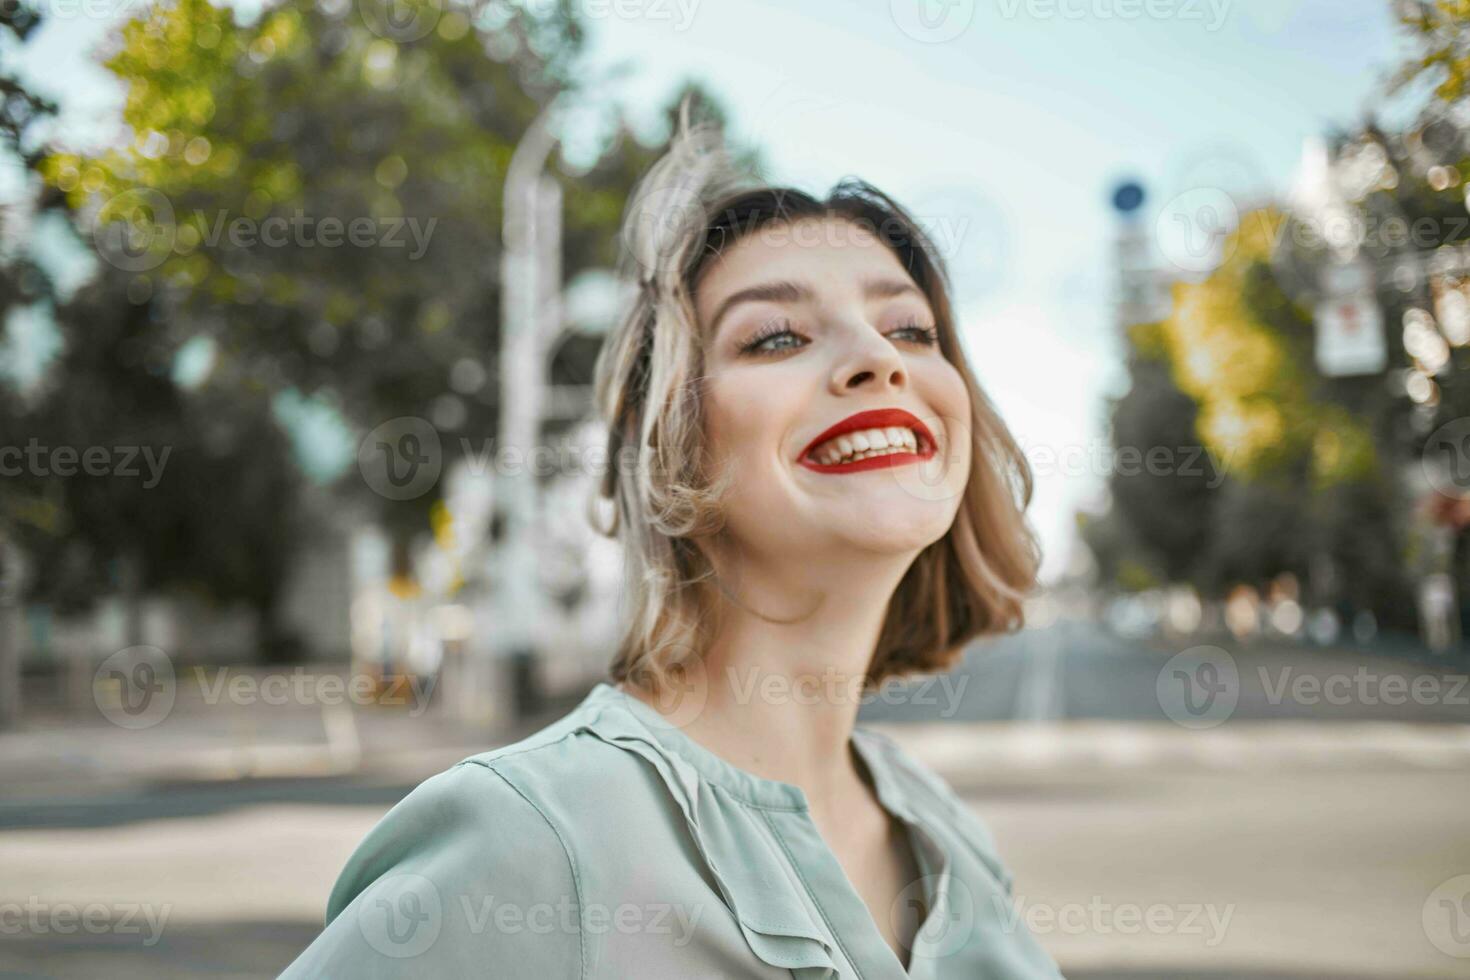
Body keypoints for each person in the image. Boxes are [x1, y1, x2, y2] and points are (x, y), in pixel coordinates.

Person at [280, 108, 1062, 978]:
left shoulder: (947, 834)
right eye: (776, 337)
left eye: (909, 328)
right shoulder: (535, 836)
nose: (877, 357)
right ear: (670, 445)